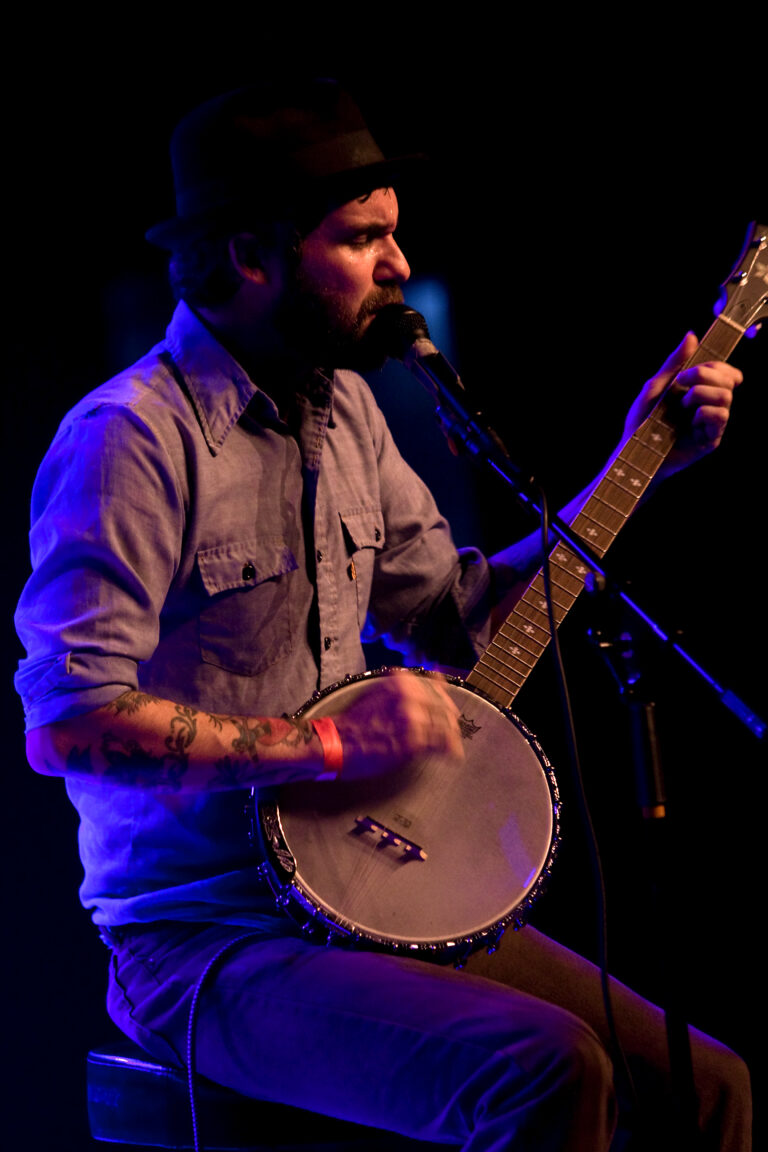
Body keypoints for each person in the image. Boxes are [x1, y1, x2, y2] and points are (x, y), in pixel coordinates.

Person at [14, 80, 751, 1151]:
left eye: (393, 235)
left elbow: (460, 617)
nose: (399, 264)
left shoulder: (347, 408)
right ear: (251, 255)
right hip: (203, 940)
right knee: (545, 1067)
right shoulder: (129, 439)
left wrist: (637, 470)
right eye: (363, 238)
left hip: (370, 890)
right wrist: (325, 745)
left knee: (710, 1084)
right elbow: (68, 725)